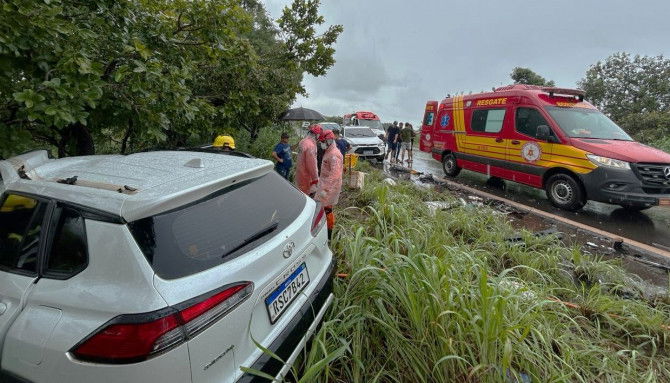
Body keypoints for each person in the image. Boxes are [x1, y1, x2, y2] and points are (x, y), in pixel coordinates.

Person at [315, 130, 343, 240]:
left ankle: (329, 234)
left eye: (323, 141)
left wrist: (325, 190)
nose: (322, 144)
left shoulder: (334, 155)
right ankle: (325, 228)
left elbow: (335, 175)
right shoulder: (329, 151)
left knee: (327, 209)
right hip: (325, 184)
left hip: (330, 187)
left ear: (329, 141)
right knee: (325, 207)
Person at [295, 125, 322, 196]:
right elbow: (312, 165)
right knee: (306, 196)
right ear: (317, 134)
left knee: (299, 193)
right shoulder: (311, 146)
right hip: (306, 176)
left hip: (299, 173)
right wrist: (316, 179)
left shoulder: (303, 141)